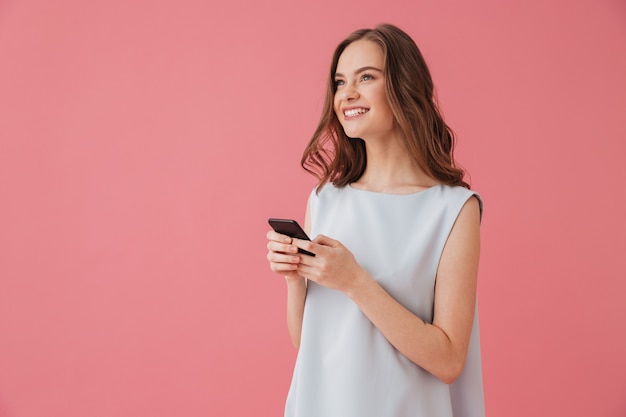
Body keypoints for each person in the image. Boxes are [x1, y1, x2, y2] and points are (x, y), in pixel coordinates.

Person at [266, 23, 485, 417]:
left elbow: (449, 360)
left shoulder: (453, 209)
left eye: (366, 77)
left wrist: (354, 281)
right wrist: (294, 279)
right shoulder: (324, 200)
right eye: (339, 82)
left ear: (403, 87)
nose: (346, 94)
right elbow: (310, 344)